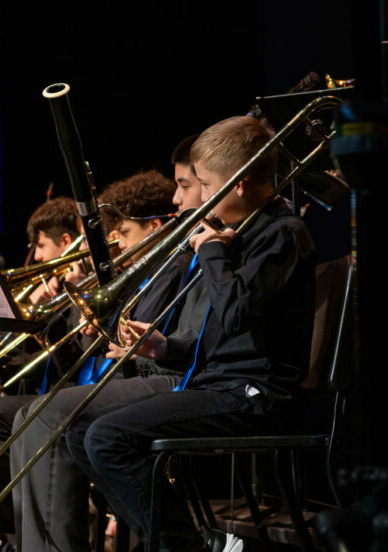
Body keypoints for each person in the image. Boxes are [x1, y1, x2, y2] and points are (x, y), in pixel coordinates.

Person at [74, 115, 317, 551]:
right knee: (78, 430)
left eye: (205, 184)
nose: (200, 197)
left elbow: (236, 314)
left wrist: (211, 253)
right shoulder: (238, 235)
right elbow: (226, 341)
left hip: (256, 396)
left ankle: (185, 546)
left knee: (107, 437)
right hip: (219, 385)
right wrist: (165, 347)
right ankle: (183, 541)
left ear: (238, 185)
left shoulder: (282, 234)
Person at [9, 153, 208, 552]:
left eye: (123, 233)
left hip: (168, 379)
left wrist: (108, 320)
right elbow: (97, 351)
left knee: (48, 417)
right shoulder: (152, 268)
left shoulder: (179, 261)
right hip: (137, 375)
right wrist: (76, 317)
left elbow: (144, 342)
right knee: (23, 418)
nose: (177, 199)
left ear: (153, 228)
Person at [0, 195, 85, 537]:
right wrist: (37, 318)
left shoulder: (83, 283)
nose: (37, 257)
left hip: (79, 393)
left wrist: (58, 312)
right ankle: (14, 531)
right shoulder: (55, 287)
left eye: (40, 246)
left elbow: (78, 363)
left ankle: (26, 528)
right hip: (52, 392)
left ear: (65, 242)